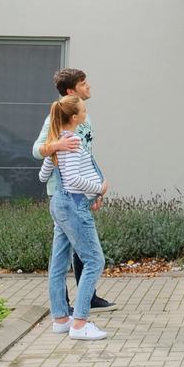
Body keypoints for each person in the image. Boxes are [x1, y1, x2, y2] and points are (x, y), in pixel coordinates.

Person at [32, 68, 115, 311]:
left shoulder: (84, 118)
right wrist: (56, 145)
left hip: (80, 192)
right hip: (67, 194)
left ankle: (70, 309)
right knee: (85, 254)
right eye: (83, 83)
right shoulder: (56, 118)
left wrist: (96, 192)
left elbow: (86, 158)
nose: (89, 86)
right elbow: (38, 150)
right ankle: (77, 312)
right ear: (71, 92)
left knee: (71, 252)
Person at [40, 94, 110, 340]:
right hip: (73, 206)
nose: (86, 113)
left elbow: (43, 175)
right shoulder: (74, 142)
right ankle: (79, 323)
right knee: (94, 260)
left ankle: (61, 319)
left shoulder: (59, 142)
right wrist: (98, 188)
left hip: (59, 204)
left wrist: (54, 150)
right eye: (83, 110)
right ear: (74, 117)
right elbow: (72, 181)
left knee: (58, 263)